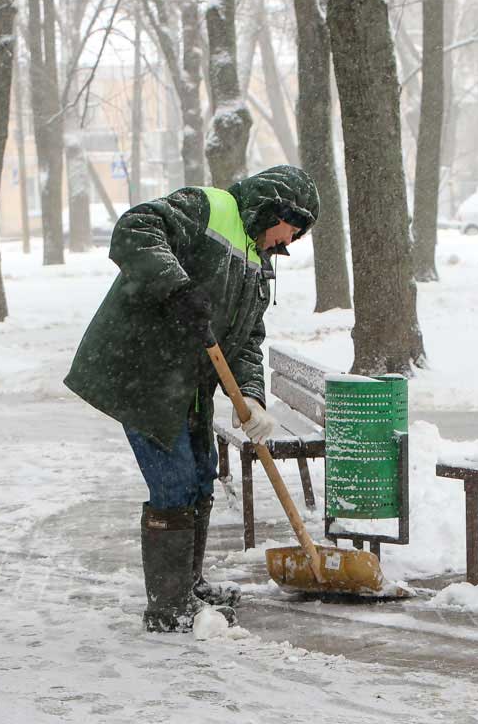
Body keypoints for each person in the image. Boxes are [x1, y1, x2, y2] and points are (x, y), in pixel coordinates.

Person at [64, 165, 320, 633]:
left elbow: (246, 341)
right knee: (175, 483)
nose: (291, 241)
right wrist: (178, 287)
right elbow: (135, 229)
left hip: (186, 384)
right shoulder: (209, 208)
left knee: (202, 475)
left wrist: (251, 397)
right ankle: (168, 607)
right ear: (280, 208)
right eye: (295, 228)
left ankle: (190, 585)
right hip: (142, 369)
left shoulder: (258, 263)